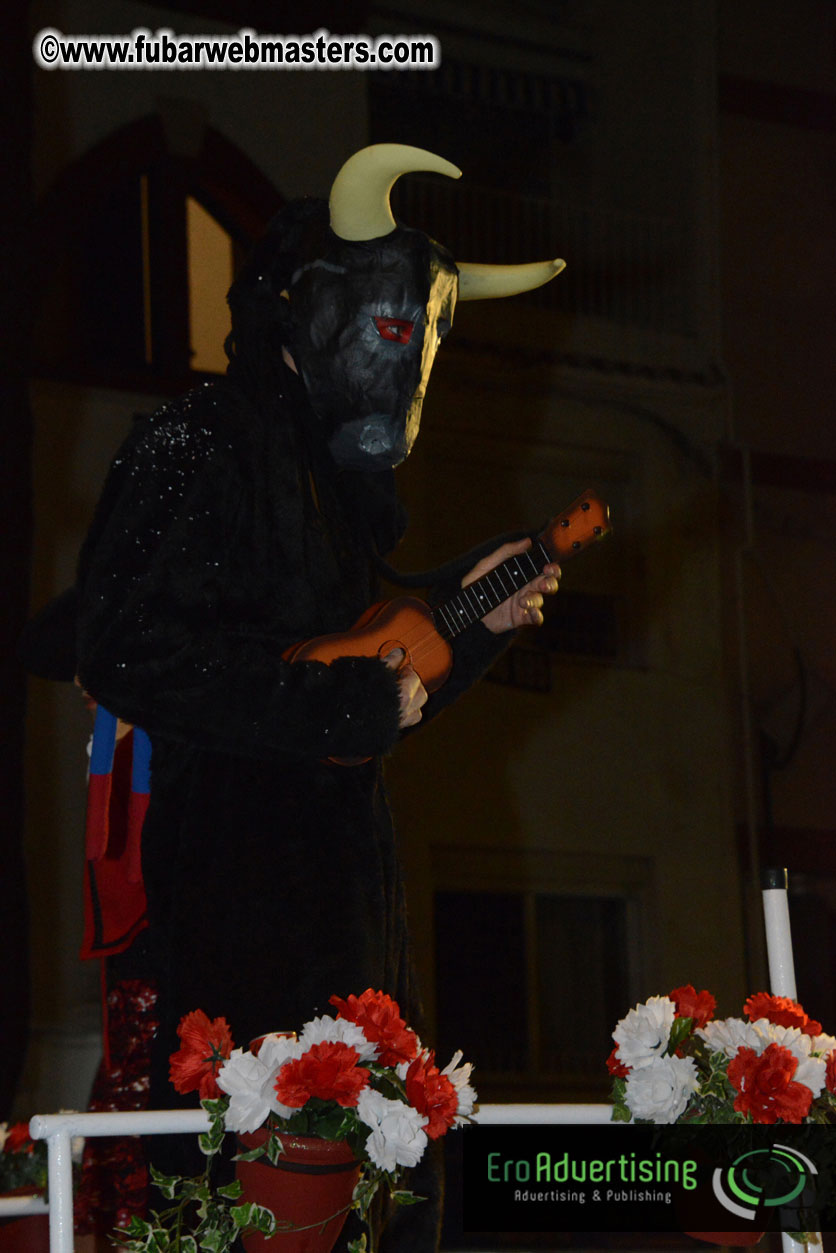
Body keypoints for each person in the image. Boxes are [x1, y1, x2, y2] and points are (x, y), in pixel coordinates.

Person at [39, 144, 565, 1245]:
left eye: (425, 332)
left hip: (346, 923)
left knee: (377, 1197)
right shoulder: (194, 441)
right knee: (254, 1199)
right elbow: (121, 644)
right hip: (226, 913)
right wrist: (339, 707)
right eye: (391, 326)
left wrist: (473, 628)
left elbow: (366, 676)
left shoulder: (337, 502)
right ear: (303, 307)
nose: (412, 355)